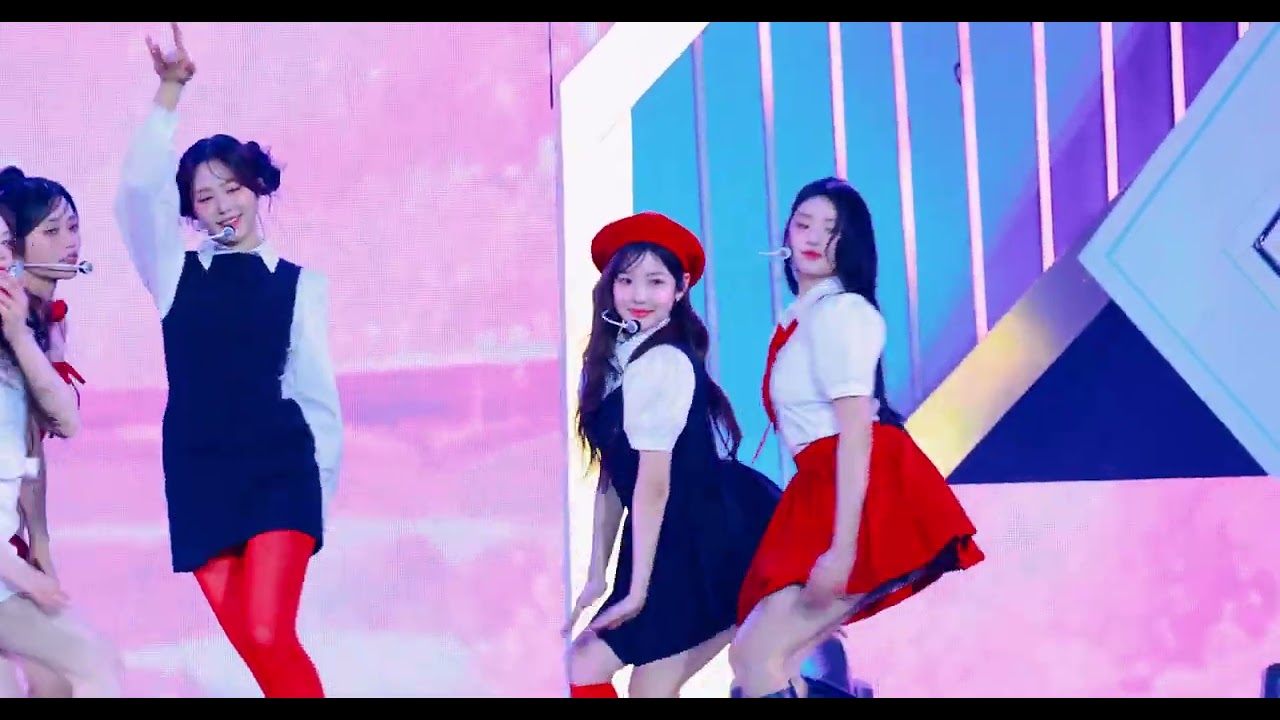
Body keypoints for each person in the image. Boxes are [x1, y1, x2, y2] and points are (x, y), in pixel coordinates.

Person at [114, 23, 343, 698]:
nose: (222, 206)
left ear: (257, 188)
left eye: (233, 188)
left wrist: (319, 497)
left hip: (280, 472)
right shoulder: (172, 273)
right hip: (199, 471)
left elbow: (317, 396)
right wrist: (169, 93)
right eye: (204, 197)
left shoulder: (301, 284)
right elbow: (136, 193)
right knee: (254, 646)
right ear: (188, 211)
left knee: (269, 632)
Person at [729, 178, 985, 698]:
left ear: (853, 245)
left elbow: (855, 434)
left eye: (833, 230)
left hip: (861, 486)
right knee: (765, 658)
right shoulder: (804, 316)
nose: (814, 238)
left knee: (757, 657)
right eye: (803, 224)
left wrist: (842, 551)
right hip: (821, 486)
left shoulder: (843, 314)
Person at [563, 211, 781, 698]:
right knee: (585, 668)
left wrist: (637, 590)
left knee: (644, 686)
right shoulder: (608, 361)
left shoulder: (663, 360)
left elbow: (653, 484)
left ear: (680, 289)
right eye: (626, 280)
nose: (639, 295)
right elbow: (614, 478)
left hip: (708, 541)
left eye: (655, 281)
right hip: (661, 540)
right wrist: (598, 574)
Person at [0, 166, 121, 697]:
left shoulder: (42, 323)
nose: (70, 242)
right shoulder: (18, 331)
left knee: (51, 682)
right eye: (51, 231)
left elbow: (33, 451)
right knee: (85, 664)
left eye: (72, 227)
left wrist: (40, 546)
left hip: (8, 538)